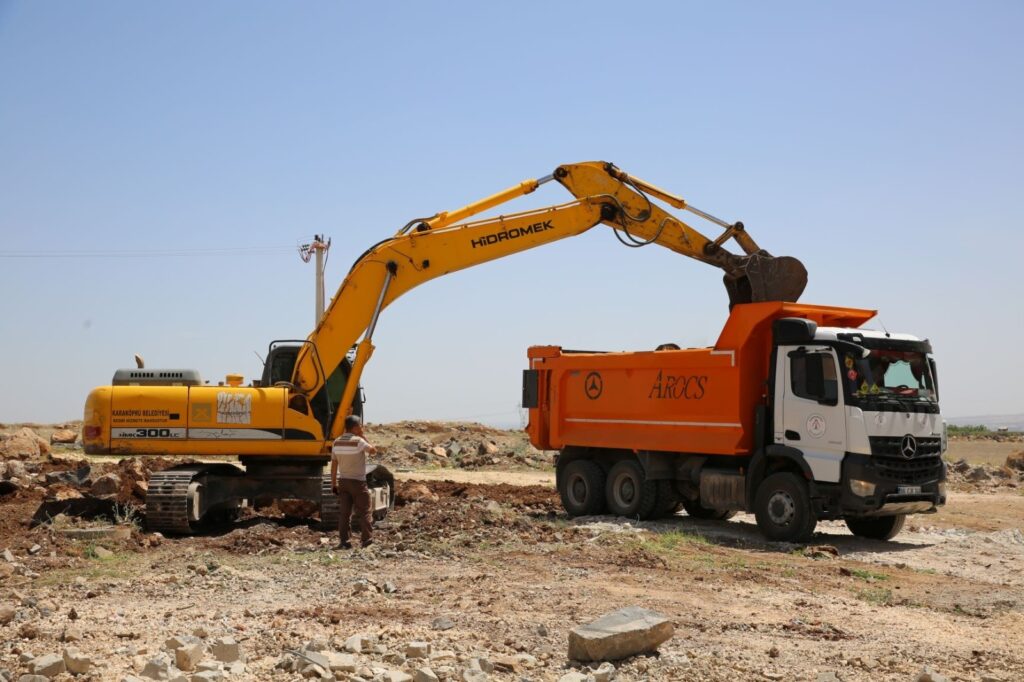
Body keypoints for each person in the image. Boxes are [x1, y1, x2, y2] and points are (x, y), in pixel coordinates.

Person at [330, 415, 378, 549]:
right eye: (360, 426)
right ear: (356, 427)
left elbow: (334, 465)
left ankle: (344, 542)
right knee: (365, 511)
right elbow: (373, 451)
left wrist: (333, 484)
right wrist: (364, 436)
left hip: (343, 482)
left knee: (344, 513)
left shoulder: (336, 442)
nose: (362, 428)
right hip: (358, 482)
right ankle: (367, 541)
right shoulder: (359, 441)